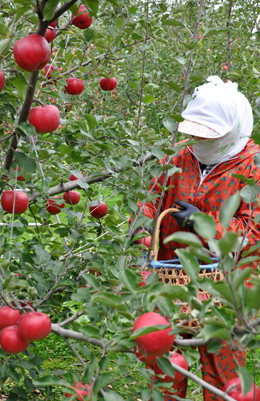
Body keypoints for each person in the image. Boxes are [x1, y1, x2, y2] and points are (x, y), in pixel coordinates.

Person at [133, 76, 260, 401]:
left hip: (225, 286)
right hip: (170, 278)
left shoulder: (254, 168)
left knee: (222, 371)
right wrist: (142, 227)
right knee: (163, 364)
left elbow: (253, 234)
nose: (197, 139)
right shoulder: (180, 156)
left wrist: (204, 225)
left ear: (232, 128)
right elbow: (153, 197)